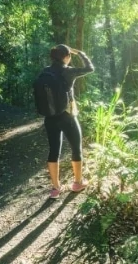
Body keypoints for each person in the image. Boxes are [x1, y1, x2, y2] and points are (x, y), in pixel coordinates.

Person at [44, 44, 94, 199]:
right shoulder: (68, 71)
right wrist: (80, 52)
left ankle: (56, 188)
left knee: (54, 151)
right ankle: (78, 183)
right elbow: (90, 68)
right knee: (76, 148)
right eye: (69, 55)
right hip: (67, 116)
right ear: (67, 56)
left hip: (50, 117)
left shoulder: (45, 71)